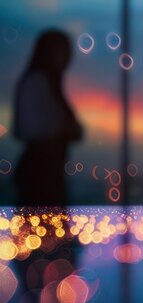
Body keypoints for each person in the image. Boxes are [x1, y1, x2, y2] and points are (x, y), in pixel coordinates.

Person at [13, 30, 82, 206]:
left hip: (45, 173)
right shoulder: (38, 82)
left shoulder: (43, 83)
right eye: (62, 51)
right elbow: (38, 128)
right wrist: (67, 130)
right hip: (41, 175)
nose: (67, 57)